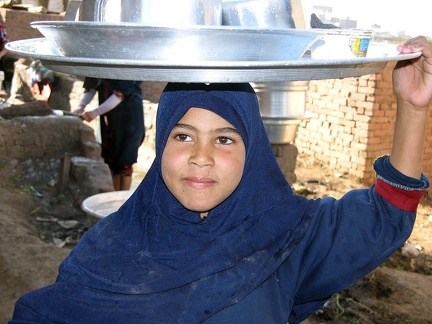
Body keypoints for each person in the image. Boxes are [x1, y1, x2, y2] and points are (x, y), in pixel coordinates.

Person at [9, 36, 432, 323]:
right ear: (161, 149)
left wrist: (412, 108)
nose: (201, 157)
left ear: (254, 154)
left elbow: (383, 217)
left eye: (225, 138)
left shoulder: (284, 240)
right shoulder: (105, 255)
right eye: (183, 135)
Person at [74, 78, 145, 191]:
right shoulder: (98, 62)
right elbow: (92, 84)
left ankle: (122, 200)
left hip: (128, 119)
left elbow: (119, 95)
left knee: (125, 161)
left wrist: (94, 113)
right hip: (109, 119)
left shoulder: (125, 66)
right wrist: (81, 106)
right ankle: (114, 196)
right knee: (111, 160)